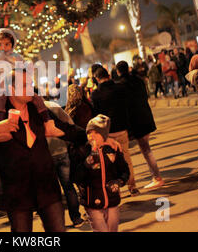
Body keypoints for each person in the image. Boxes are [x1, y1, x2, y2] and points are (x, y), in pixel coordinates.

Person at [0, 69, 87, 232]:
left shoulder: (38, 110)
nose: (31, 89)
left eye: (31, 84)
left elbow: (68, 130)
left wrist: (97, 135)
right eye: (25, 85)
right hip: (16, 192)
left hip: (46, 186)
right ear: (11, 89)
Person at [0, 28, 64, 138]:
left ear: (12, 44)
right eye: (0, 44)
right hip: (1, 89)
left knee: (37, 98)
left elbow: (25, 72)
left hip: (19, 89)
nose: (3, 48)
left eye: (7, 44)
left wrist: (29, 68)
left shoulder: (17, 57)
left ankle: (48, 124)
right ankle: (3, 128)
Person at [71, 115, 130, 232]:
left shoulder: (113, 149)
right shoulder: (82, 151)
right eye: (89, 133)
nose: (91, 136)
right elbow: (75, 177)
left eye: (96, 133)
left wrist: (120, 181)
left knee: (112, 229)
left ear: (104, 136)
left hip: (111, 199)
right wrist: (86, 164)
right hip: (92, 201)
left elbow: (124, 170)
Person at [90, 67, 140, 196]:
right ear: (108, 75)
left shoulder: (95, 94)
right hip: (122, 129)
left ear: (96, 78)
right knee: (127, 158)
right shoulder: (120, 88)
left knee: (110, 163)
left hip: (107, 133)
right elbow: (127, 107)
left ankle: (114, 191)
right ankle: (132, 186)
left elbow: (96, 115)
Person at [116, 61, 165, 190]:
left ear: (118, 71)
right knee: (146, 148)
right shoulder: (138, 80)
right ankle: (156, 176)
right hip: (146, 116)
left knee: (146, 150)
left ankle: (157, 177)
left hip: (136, 121)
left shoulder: (121, 85)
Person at [44, 99, 85, 228]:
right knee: (68, 186)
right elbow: (69, 123)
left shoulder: (29, 112)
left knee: (52, 191)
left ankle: (57, 223)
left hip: (45, 155)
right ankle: (76, 218)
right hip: (61, 150)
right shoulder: (53, 106)